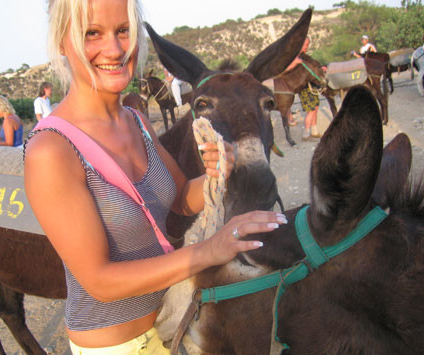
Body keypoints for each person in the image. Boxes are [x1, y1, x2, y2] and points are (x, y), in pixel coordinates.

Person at [24, 0, 285, 354]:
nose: (114, 49)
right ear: (61, 41)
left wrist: (216, 174)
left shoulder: (136, 120)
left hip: (171, 322)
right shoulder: (51, 151)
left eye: (123, 31)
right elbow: (99, 281)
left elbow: (178, 197)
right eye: (92, 34)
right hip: (118, 346)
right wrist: (208, 250)